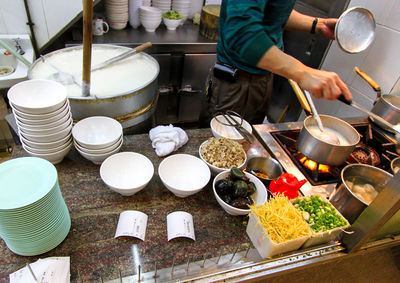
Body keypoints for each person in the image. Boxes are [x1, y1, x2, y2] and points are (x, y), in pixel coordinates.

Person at [200, 0, 352, 126]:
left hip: (262, 78)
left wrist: (318, 25)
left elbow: (273, 12)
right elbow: (241, 34)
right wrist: (303, 73)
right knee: (219, 151)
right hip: (235, 82)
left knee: (248, 141)